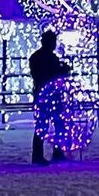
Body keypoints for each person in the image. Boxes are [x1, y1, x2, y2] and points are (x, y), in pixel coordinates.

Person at [29, 29, 69, 164]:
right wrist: (63, 70)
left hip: (42, 94)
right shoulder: (50, 58)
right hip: (50, 95)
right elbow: (51, 75)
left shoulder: (36, 57)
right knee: (56, 124)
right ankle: (54, 153)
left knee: (45, 125)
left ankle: (40, 154)